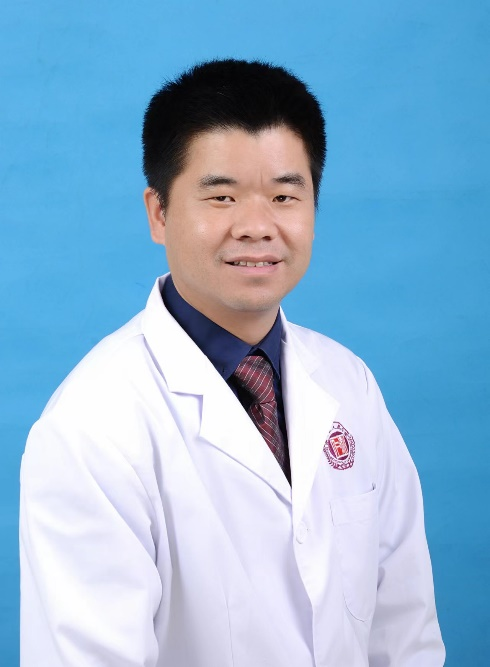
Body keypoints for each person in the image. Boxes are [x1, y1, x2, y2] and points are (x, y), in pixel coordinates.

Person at [20, 59, 445, 666]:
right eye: (221, 197)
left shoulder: (348, 383)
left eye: (284, 196)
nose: (257, 227)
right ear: (159, 213)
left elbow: (405, 631)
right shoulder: (92, 426)